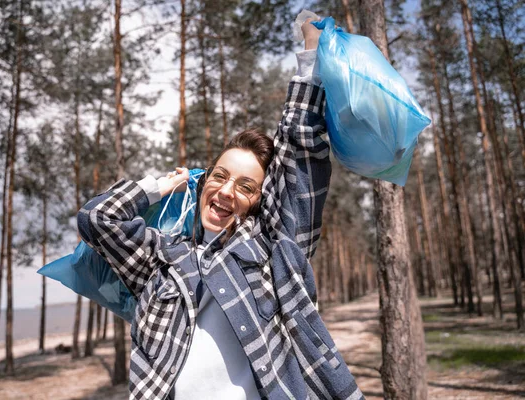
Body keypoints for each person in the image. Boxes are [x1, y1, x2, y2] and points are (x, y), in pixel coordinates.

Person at [77, 19, 363, 400]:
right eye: (220, 176)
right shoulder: (161, 261)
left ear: (260, 200)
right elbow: (98, 219)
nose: (227, 191)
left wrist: (309, 59)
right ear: (205, 180)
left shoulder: (273, 249)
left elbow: (300, 151)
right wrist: (160, 186)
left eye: (245, 186)